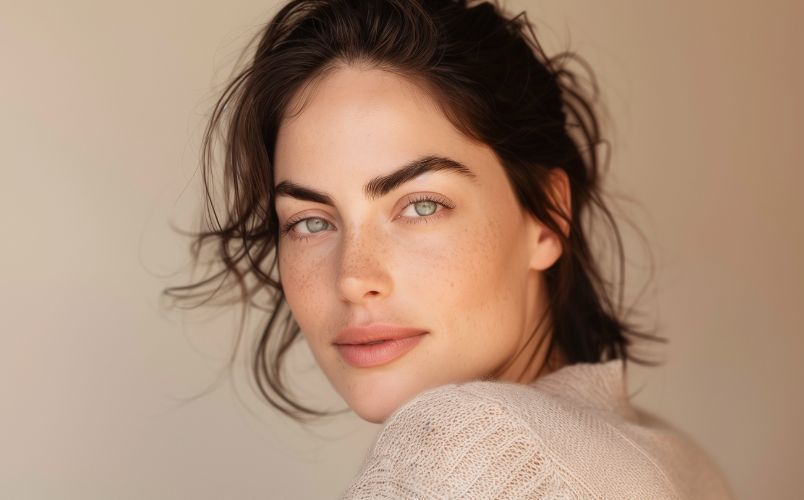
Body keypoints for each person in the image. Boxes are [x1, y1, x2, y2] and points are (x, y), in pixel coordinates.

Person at [164, 0, 733, 497]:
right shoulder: (676, 461)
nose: (353, 278)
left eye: (421, 206)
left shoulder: (467, 448)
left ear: (546, 215)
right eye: (311, 222)